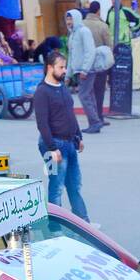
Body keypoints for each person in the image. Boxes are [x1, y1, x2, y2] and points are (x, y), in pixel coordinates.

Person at [34, 50, 89, 220]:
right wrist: (52, 148)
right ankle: (55, 227)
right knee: (56, 187)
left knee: (74, 186)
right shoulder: (42, 92)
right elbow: (42, 124)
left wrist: (78, 137)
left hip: (70, 143)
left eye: (65, 67)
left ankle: (83, 223)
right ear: (50, 67)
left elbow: (70, 115)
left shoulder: (62, 87)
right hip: (52, 145)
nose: (65, 70)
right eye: (61, 67)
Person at [65, 7, 101, 134]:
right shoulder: (72, 35)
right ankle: (95, 122)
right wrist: (68, 75)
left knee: (83, 96)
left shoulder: (84, 31)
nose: (69, 21)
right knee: (89, 96)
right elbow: (71, 56)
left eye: (71, 19)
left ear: (77, 19)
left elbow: (90, 51)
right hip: (79, 71)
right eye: (67, 19)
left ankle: (95, 122)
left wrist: (85, 70)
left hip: (87, 71)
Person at [83, 0, 113, 126]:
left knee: (88, 92)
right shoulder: (102, 26)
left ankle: (93, 118)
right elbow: (109, 46)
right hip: (100, 65)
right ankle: (99, 118)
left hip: (85, 64)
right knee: (99, 92)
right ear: (98, 11)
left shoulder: (82, 24)